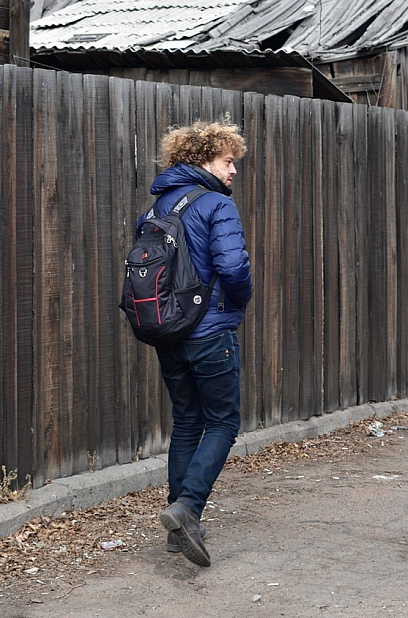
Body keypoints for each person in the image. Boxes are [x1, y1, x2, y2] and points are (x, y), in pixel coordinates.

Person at [144, 119, 253, 568]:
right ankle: (188, 507)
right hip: (210, 332)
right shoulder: (215, 205)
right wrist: (240, 301)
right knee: (224, 422)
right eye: (228, 162)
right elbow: (233, 268)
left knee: (187, 422)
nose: (233, 172)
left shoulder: (154, 210)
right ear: (204, 158)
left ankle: (178, 527)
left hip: (168, 332)